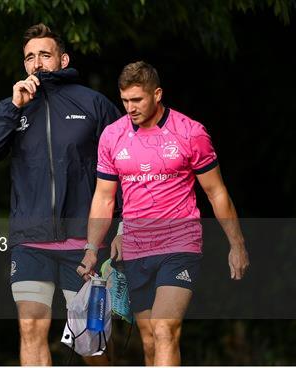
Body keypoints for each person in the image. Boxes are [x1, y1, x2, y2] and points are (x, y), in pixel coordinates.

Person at [79, 61, 250, 365]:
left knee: (164, 329)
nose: (130, 108)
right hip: (135, 248)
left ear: (157, 94)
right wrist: (92, 248)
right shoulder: (111, 136)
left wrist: (237, 245)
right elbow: (104, 198)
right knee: (148, 339)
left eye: (137, 100)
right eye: (125, 101)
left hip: (179, 243)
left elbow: (217, 192)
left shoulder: (190, 132)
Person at [0, 24, 121, 365]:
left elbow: (123, 168)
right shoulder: (14, 106)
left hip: (84, 244)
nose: (37, 63)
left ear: (63, 59)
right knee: (30, 328)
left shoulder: (94, 103)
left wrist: (122, 227)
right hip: (31, 241)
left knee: (91, 342)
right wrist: (13, 106)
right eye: (30, 57)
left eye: (45, 54)